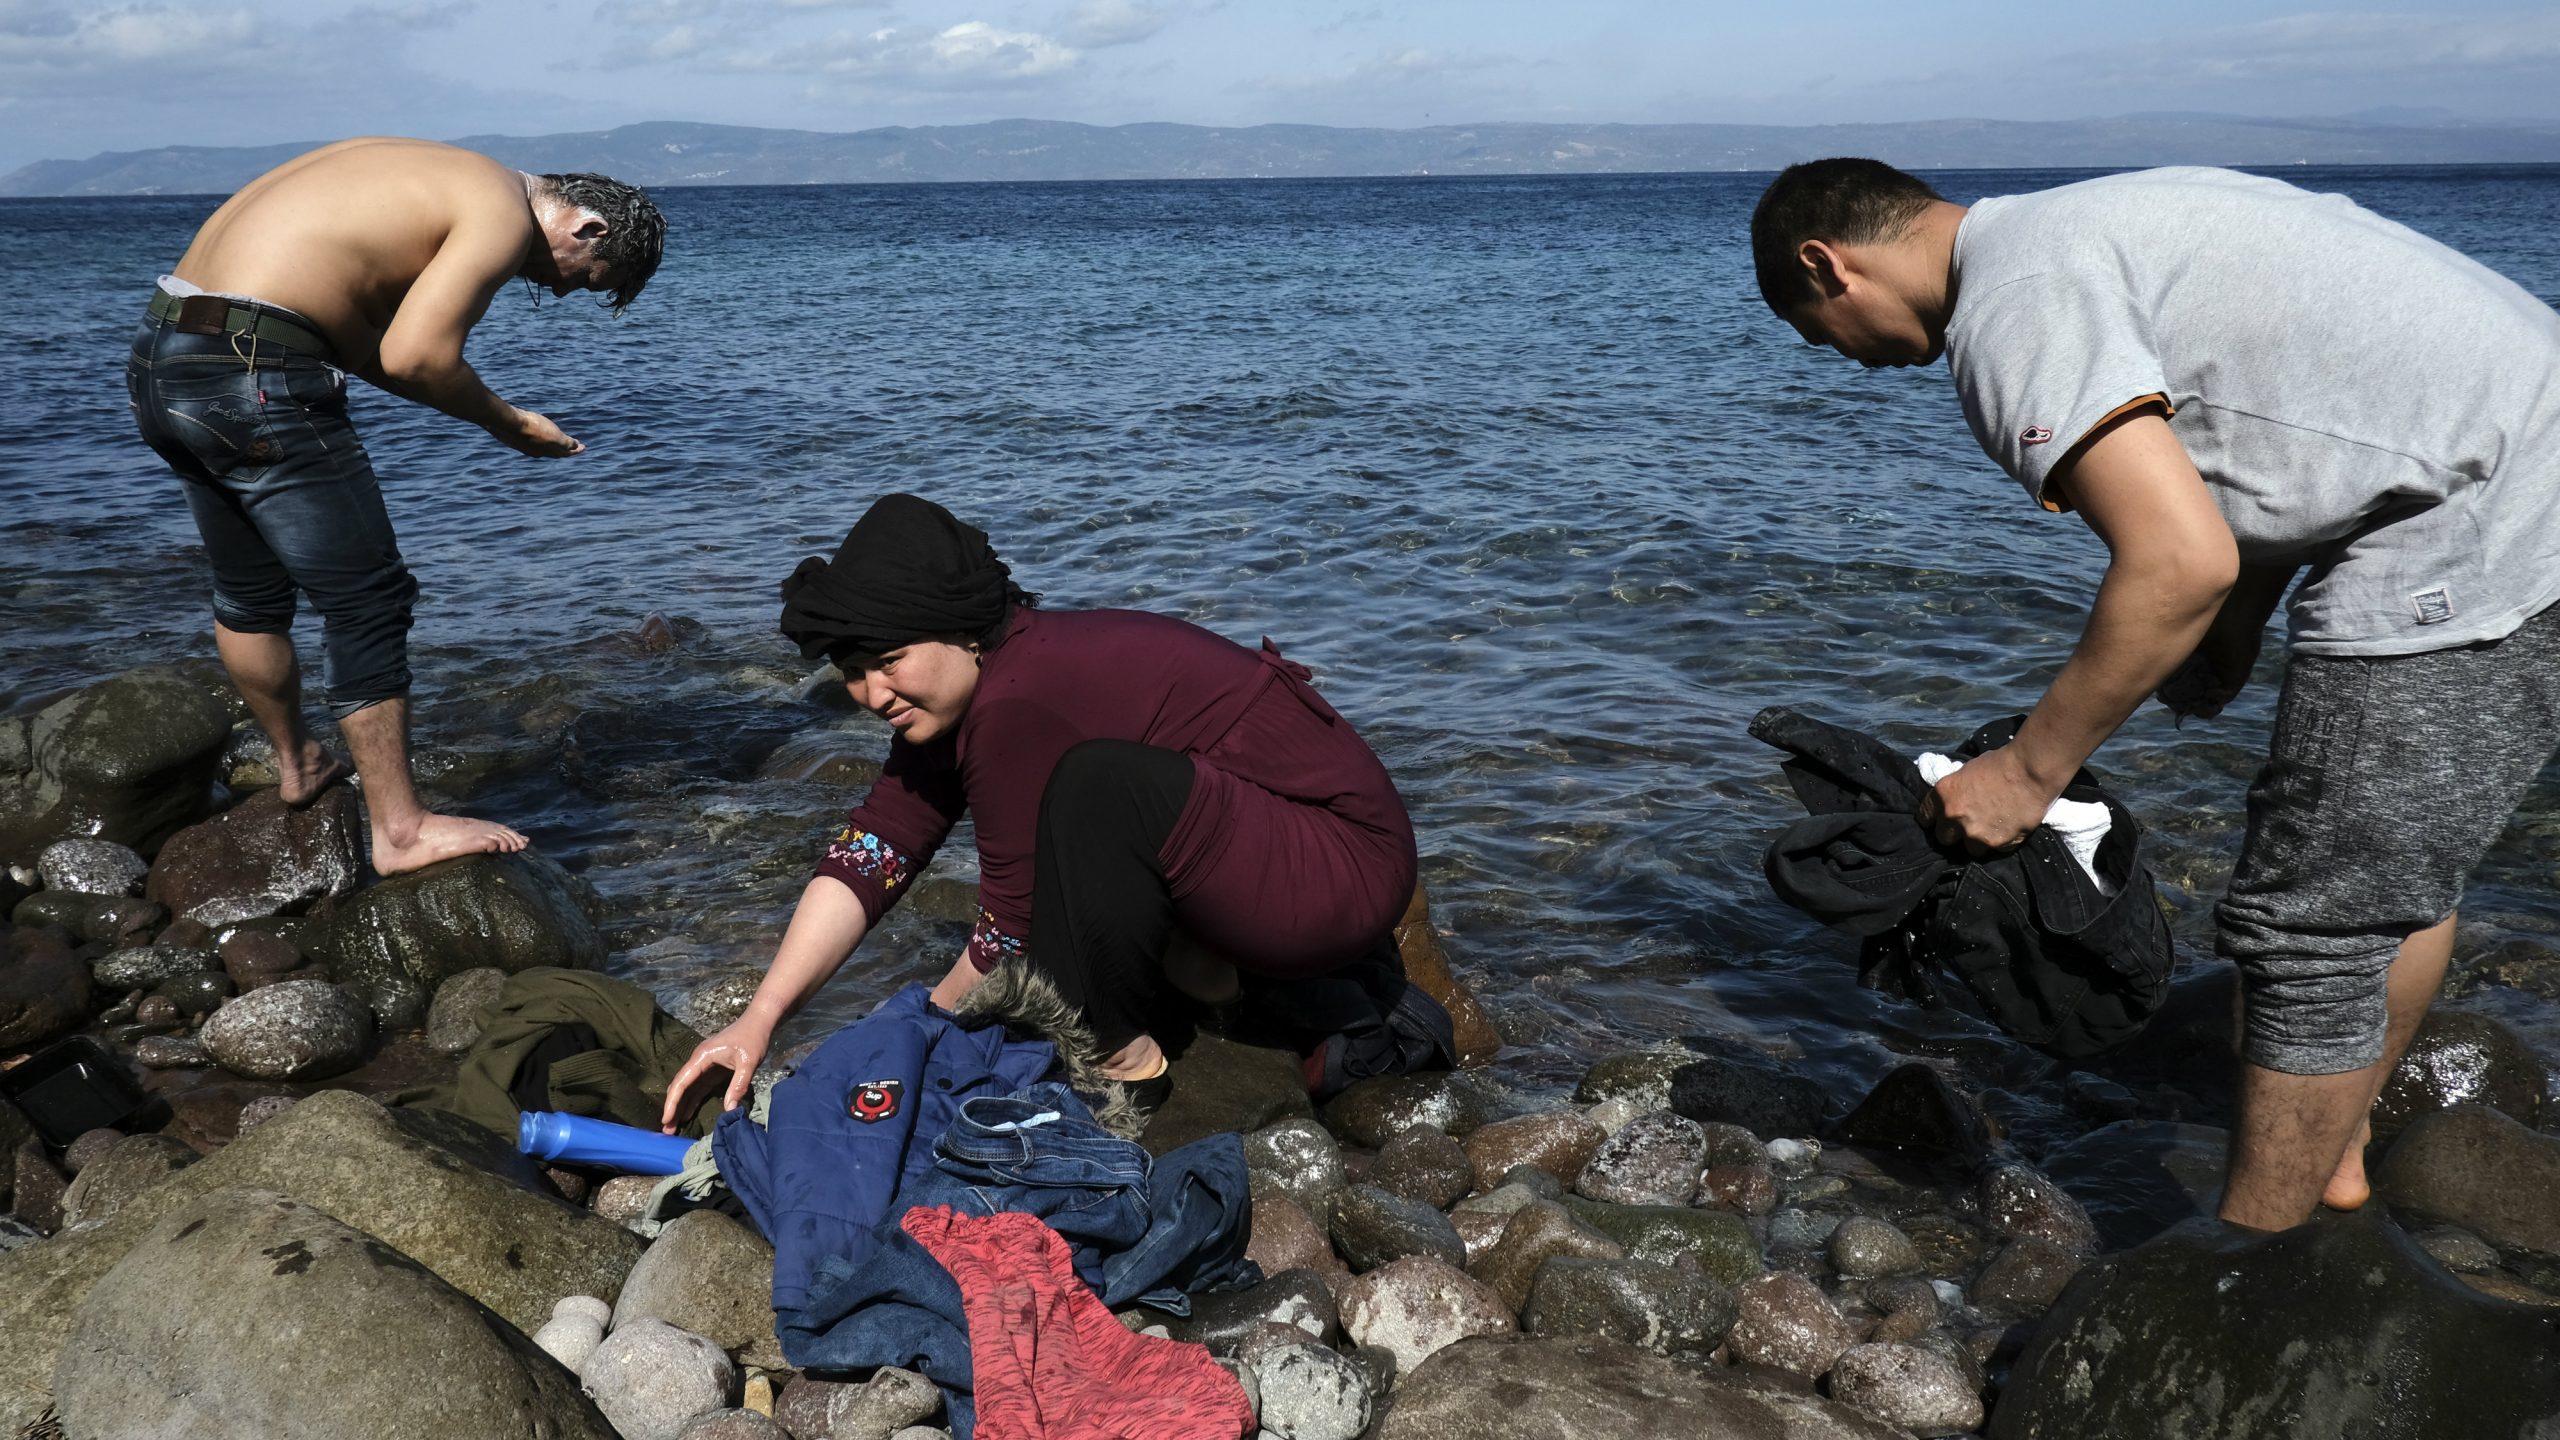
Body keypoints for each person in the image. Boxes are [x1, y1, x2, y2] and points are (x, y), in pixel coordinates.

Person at [1750, 158, 2560, 1231]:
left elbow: (2176, 562)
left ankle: (2246, 1267)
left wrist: (2027, 772)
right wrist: (2236, 626)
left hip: (2492, 510)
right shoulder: (2085, 222)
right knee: (2390, 864)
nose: (1847, 364)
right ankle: (2337, 1163)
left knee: (2311, 924)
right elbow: (2293, 422)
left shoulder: (2011, 304)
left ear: (1827, 264)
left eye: (1822, 335)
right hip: (2518, 448)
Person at [662, 493, 1438, 1128]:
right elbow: (876, 849)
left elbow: (1007, 934)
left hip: (1342, 863)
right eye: (853, 673)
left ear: (962, 628)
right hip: (1281, 849)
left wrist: (912, 1043)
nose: (872, 696)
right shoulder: (961, 696)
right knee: (1082, 835)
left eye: (889, 661)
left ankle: (1132, 1064)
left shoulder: (1014, 705)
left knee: (1092, 796)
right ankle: (1227, 985)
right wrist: (758, 1020)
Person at [127, 137, 667, 874]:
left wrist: (491, 414)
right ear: (587, 226)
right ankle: (402, 830)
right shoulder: (502, 212)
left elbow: (372, 354)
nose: (556, 288)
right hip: (255, 375)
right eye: (580, 279)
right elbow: (420, 355)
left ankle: (299, 765)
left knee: (250, 591)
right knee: (369, 601)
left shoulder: (415, 167)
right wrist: (506, 422)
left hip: (166, 358)